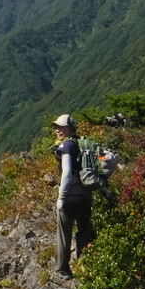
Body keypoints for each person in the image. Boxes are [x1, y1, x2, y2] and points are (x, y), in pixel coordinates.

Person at [51, 114, 92, 279]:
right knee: (84, 230)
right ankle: (87, 266)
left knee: (63, 234)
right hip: (86, 194)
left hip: (70, 196)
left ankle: (63, 269)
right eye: (56, 127)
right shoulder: (82, 143)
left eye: (61, 127)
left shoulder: (66, 145)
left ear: (70, 128)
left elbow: (67, 173)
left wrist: (61, 199)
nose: (57, 130)